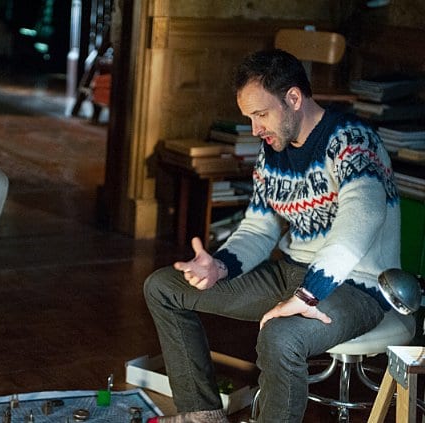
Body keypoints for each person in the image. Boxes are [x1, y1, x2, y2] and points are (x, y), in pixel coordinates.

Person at [144, 48, 410, 422]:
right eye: (250, 118)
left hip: (356, 286)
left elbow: (360, 222)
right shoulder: (273, 150)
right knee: (163, 287)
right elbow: (259, 228)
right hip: (292, 273)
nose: (255, 129)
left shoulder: (353, 141)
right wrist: (220, 266)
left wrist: (307, 294)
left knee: (281, 337)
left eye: (261, 114)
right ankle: (200, 414)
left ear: (294, 98)